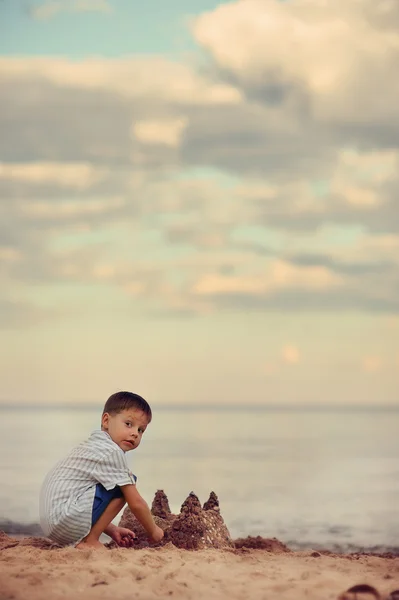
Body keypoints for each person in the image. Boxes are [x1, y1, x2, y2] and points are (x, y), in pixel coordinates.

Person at [39, 391, 164, 549]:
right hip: (64, 520)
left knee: (120, 482)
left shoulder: (95, 445)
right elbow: (136, 503)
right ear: (106, 421)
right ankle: (90, 540)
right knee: (125, 485)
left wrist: (112, 530)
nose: (135, 433)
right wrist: (154, 531)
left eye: (141, 430)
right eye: (129, 424)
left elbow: (83, 496)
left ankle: (88, 538)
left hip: (55, 523)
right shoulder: (111, 452)